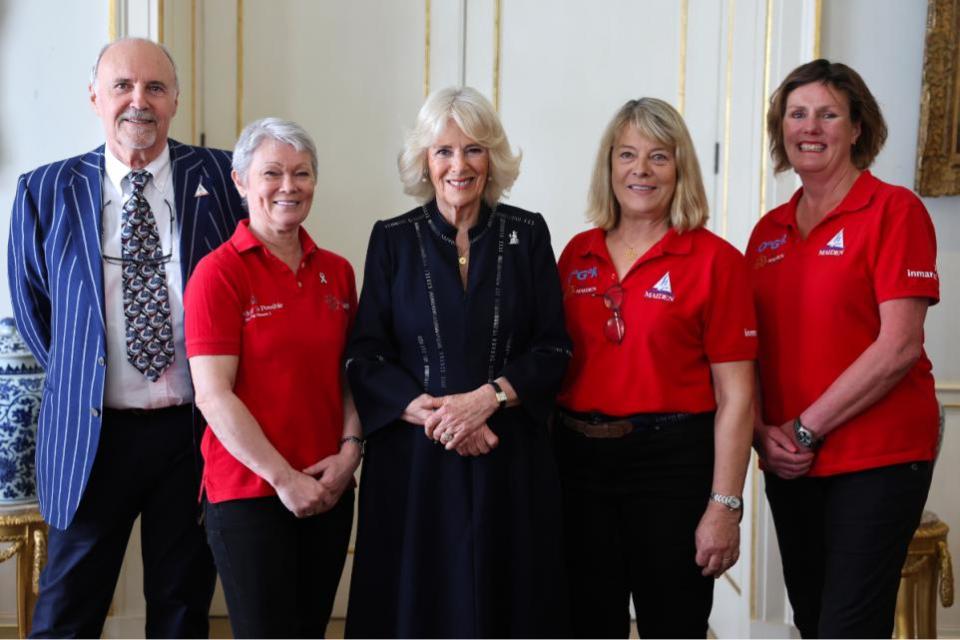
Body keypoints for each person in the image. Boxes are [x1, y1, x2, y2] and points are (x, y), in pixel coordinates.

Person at [7, 38, 244, 637]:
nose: (139, 101)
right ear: (95, 98)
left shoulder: (221, 177)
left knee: (183, 608)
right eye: (123, 87)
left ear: (175, 102)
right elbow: (36, 312)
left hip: (193, 432)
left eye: (155, 88)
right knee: (66, 612)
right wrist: (83, 372)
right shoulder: (45, 190)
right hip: (93, 434)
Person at [344, 86, 572, 638]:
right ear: (425, 160)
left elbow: (554, 350)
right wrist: (444, 418)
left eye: (473, 149)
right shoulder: (391, 240)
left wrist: (484, 401)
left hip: (509, 460)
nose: (458, 165)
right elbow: (366, 355)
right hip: (415, 465)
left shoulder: (529, 232)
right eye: (443, 150)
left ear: (491, 158)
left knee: (510, 606)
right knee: (417, 609)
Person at [748, 59, 940, 638]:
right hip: (789, 462)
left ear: (857, 127)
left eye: (828, 113)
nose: (811, 126)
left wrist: (805, 429)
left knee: (847, 627)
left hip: (876, 460)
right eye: (797, 114)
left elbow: (900, 346)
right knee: (813, 619)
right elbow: (747, 352)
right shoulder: (768, 232)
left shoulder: (894, 210)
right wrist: (762, 434)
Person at [555, 97, 756, 639]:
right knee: (585, 624)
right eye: (627, 155)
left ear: (680, 169)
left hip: (672, 468)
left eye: (658, 157)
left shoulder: (718, 262)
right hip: (577, 465)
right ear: (609, 166)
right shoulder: (575, 254)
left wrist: (725, 506)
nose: (640, 170)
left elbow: (738, 396)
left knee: (674, 624)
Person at [184, 117, 360, 638]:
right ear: (240, 181)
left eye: (302, 173)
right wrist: (285, 480)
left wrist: (351, 454)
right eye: (273, 173)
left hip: (330, 487)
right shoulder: (218, 273)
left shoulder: (339, 271)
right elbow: (213, 396)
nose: (289, 186)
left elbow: (351, 375)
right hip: (250, 495)